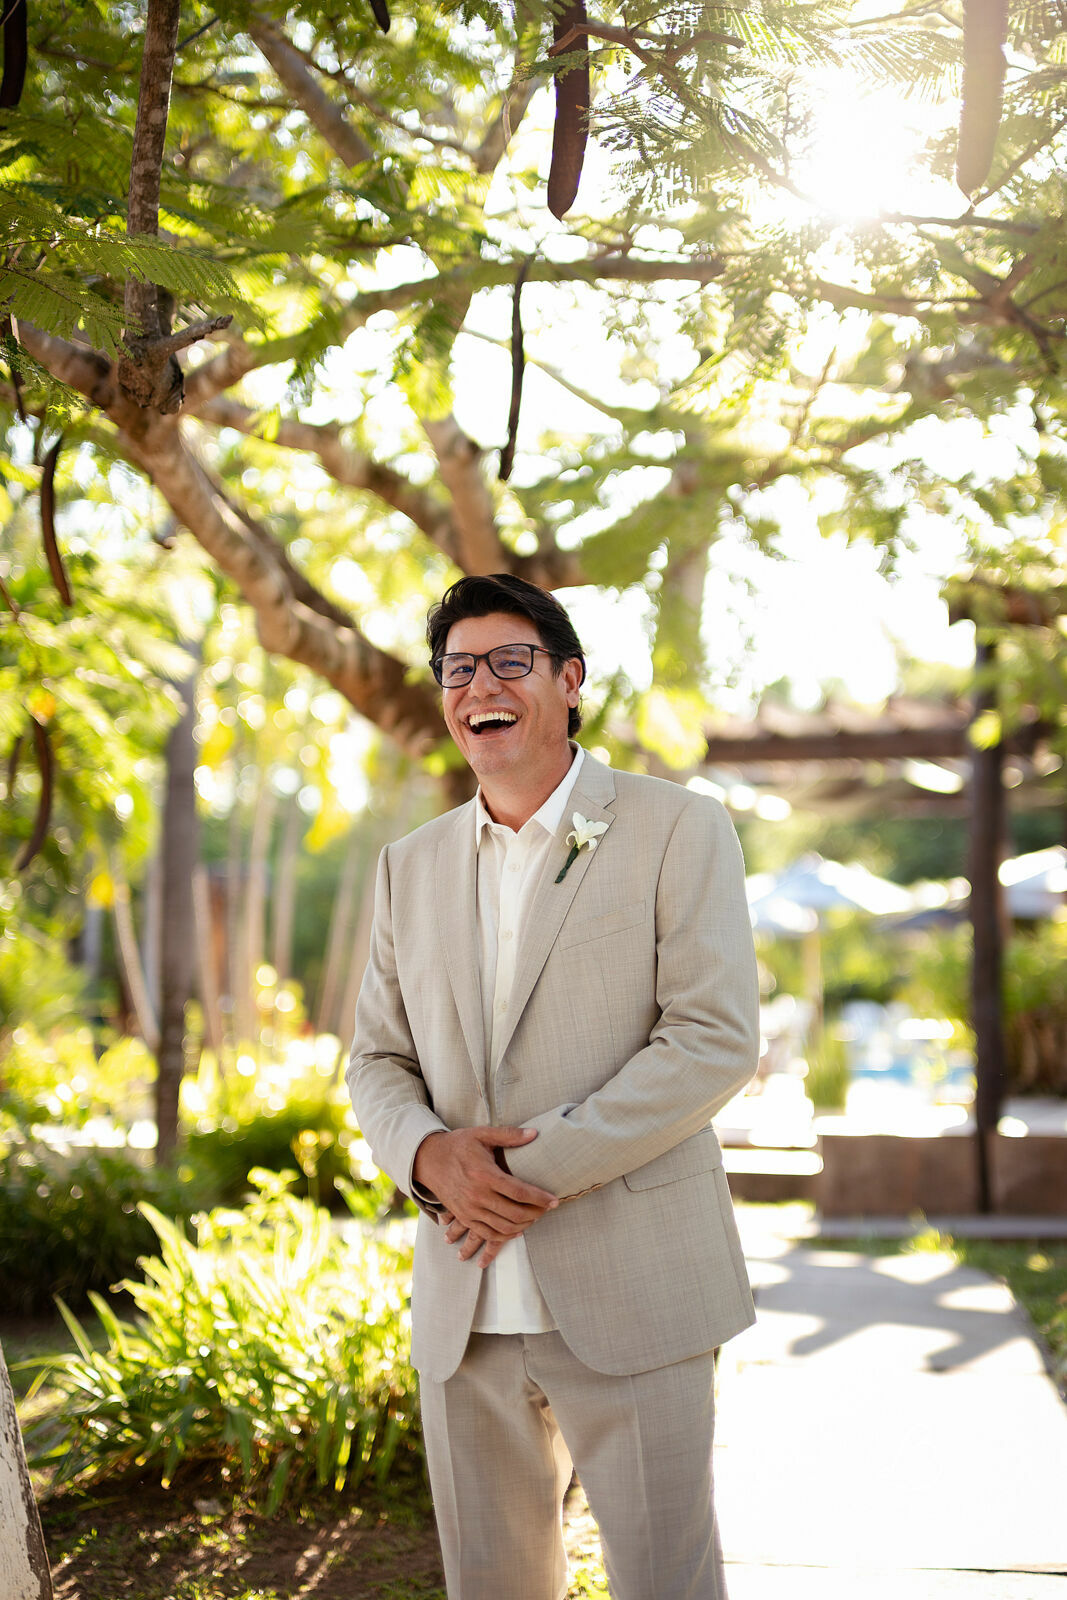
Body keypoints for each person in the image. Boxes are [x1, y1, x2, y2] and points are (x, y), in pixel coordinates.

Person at [348, 573, 759, 1600]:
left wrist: (526, 1172)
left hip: (638, 1285)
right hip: (464, 1297)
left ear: (569, 681)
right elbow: (375, 1059)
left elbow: (711, 1038)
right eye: (456, 668)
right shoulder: (408, 864)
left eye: (507, 661)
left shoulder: (677, 827)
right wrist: (433, 1157)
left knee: (666, 1582)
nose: (477, 684)